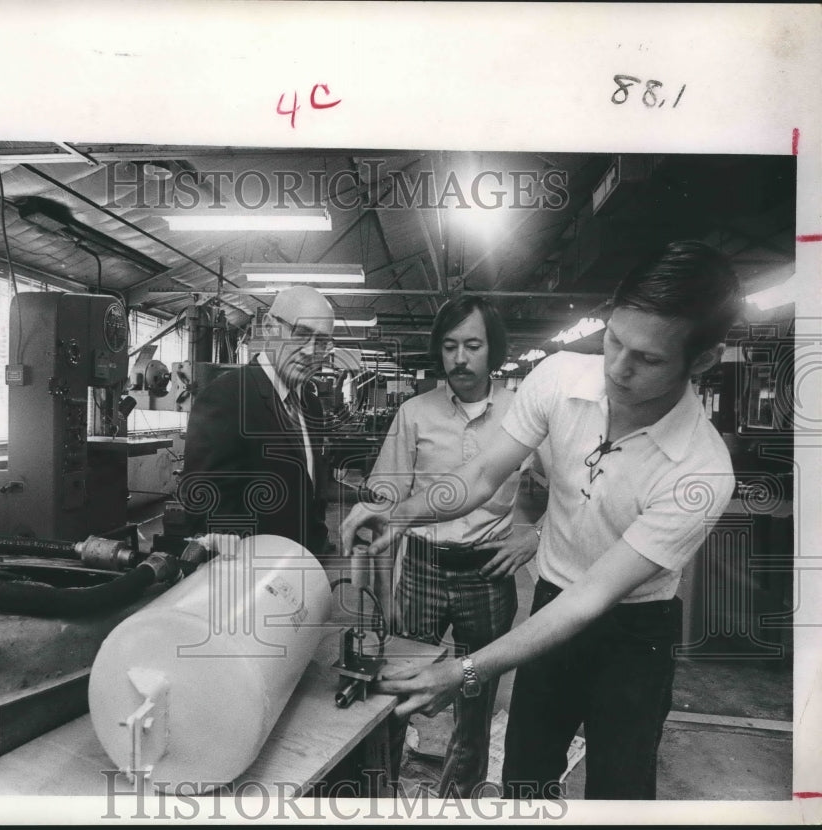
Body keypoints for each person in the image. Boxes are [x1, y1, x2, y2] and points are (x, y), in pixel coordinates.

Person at [341, 241, 742, 799]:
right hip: (552, 598)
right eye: (614, 341)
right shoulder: (558, 379)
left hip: (634, 631)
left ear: (702, 360)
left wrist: (464, 671)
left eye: (647, 359)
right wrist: (401, 512)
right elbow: (482, 476)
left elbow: (593, 599)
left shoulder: (701, 471)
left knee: (619, 791)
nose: (618, 370)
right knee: (525, 775)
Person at [365, 295, 539, 798]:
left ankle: (458, 801)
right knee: (398, 688)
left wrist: (536, 532)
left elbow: (565, 485)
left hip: (488, 571)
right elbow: (387, 492)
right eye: (449, 346)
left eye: (472, 345)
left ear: (493, 351)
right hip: (420, 567)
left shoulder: (523, 414)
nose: (460, 358)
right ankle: (380, 793)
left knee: (474, 695)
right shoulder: (414, 413)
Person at [180, 286, 335, 558]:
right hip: (249, 577)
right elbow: (203, 504)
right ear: (269, 326)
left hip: (299, 571)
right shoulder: (227, 397)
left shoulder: (310, 403)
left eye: (321, 342)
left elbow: (308, 494)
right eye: (301, 334)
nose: (311, 351)